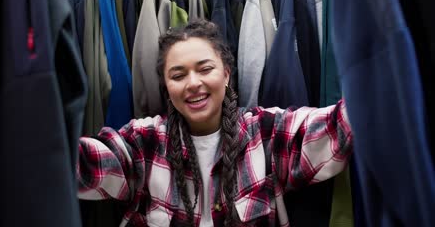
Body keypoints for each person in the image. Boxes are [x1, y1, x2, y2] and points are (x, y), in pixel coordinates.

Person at [77, 19, 353, 226]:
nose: (193, 83)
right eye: (178, 75)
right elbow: (85, 164)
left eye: (205, 69)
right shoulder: (144, 142)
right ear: (166, 87)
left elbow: (336, 126)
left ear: (226, 75)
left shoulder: (266, 132)